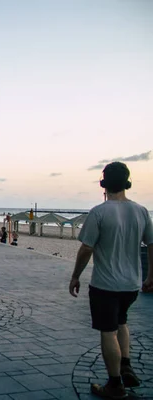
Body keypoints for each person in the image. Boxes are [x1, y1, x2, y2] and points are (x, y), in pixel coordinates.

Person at [69, 162, 153, 399]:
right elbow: (152, 243)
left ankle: (115, 384)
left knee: (107, 331)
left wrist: (75, 275)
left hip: (105, 285)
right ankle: (125, 364)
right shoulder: (141, 211)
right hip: (132, 284)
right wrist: (151, 275)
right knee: (122, 322)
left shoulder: (99, 212)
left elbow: (86, 248)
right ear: (127, 182)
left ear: (104, 184)